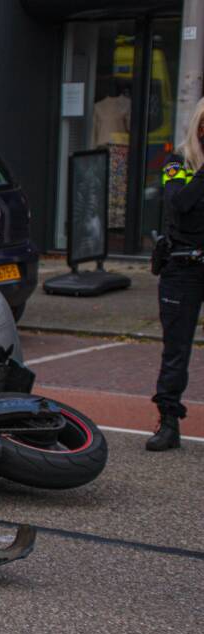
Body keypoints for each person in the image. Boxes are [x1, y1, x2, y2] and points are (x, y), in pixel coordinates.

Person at [148, 96, 204, 451]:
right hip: (182, 267)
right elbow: (179, 206)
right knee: (176, 349)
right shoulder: (178, 161)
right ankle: (168, 422)